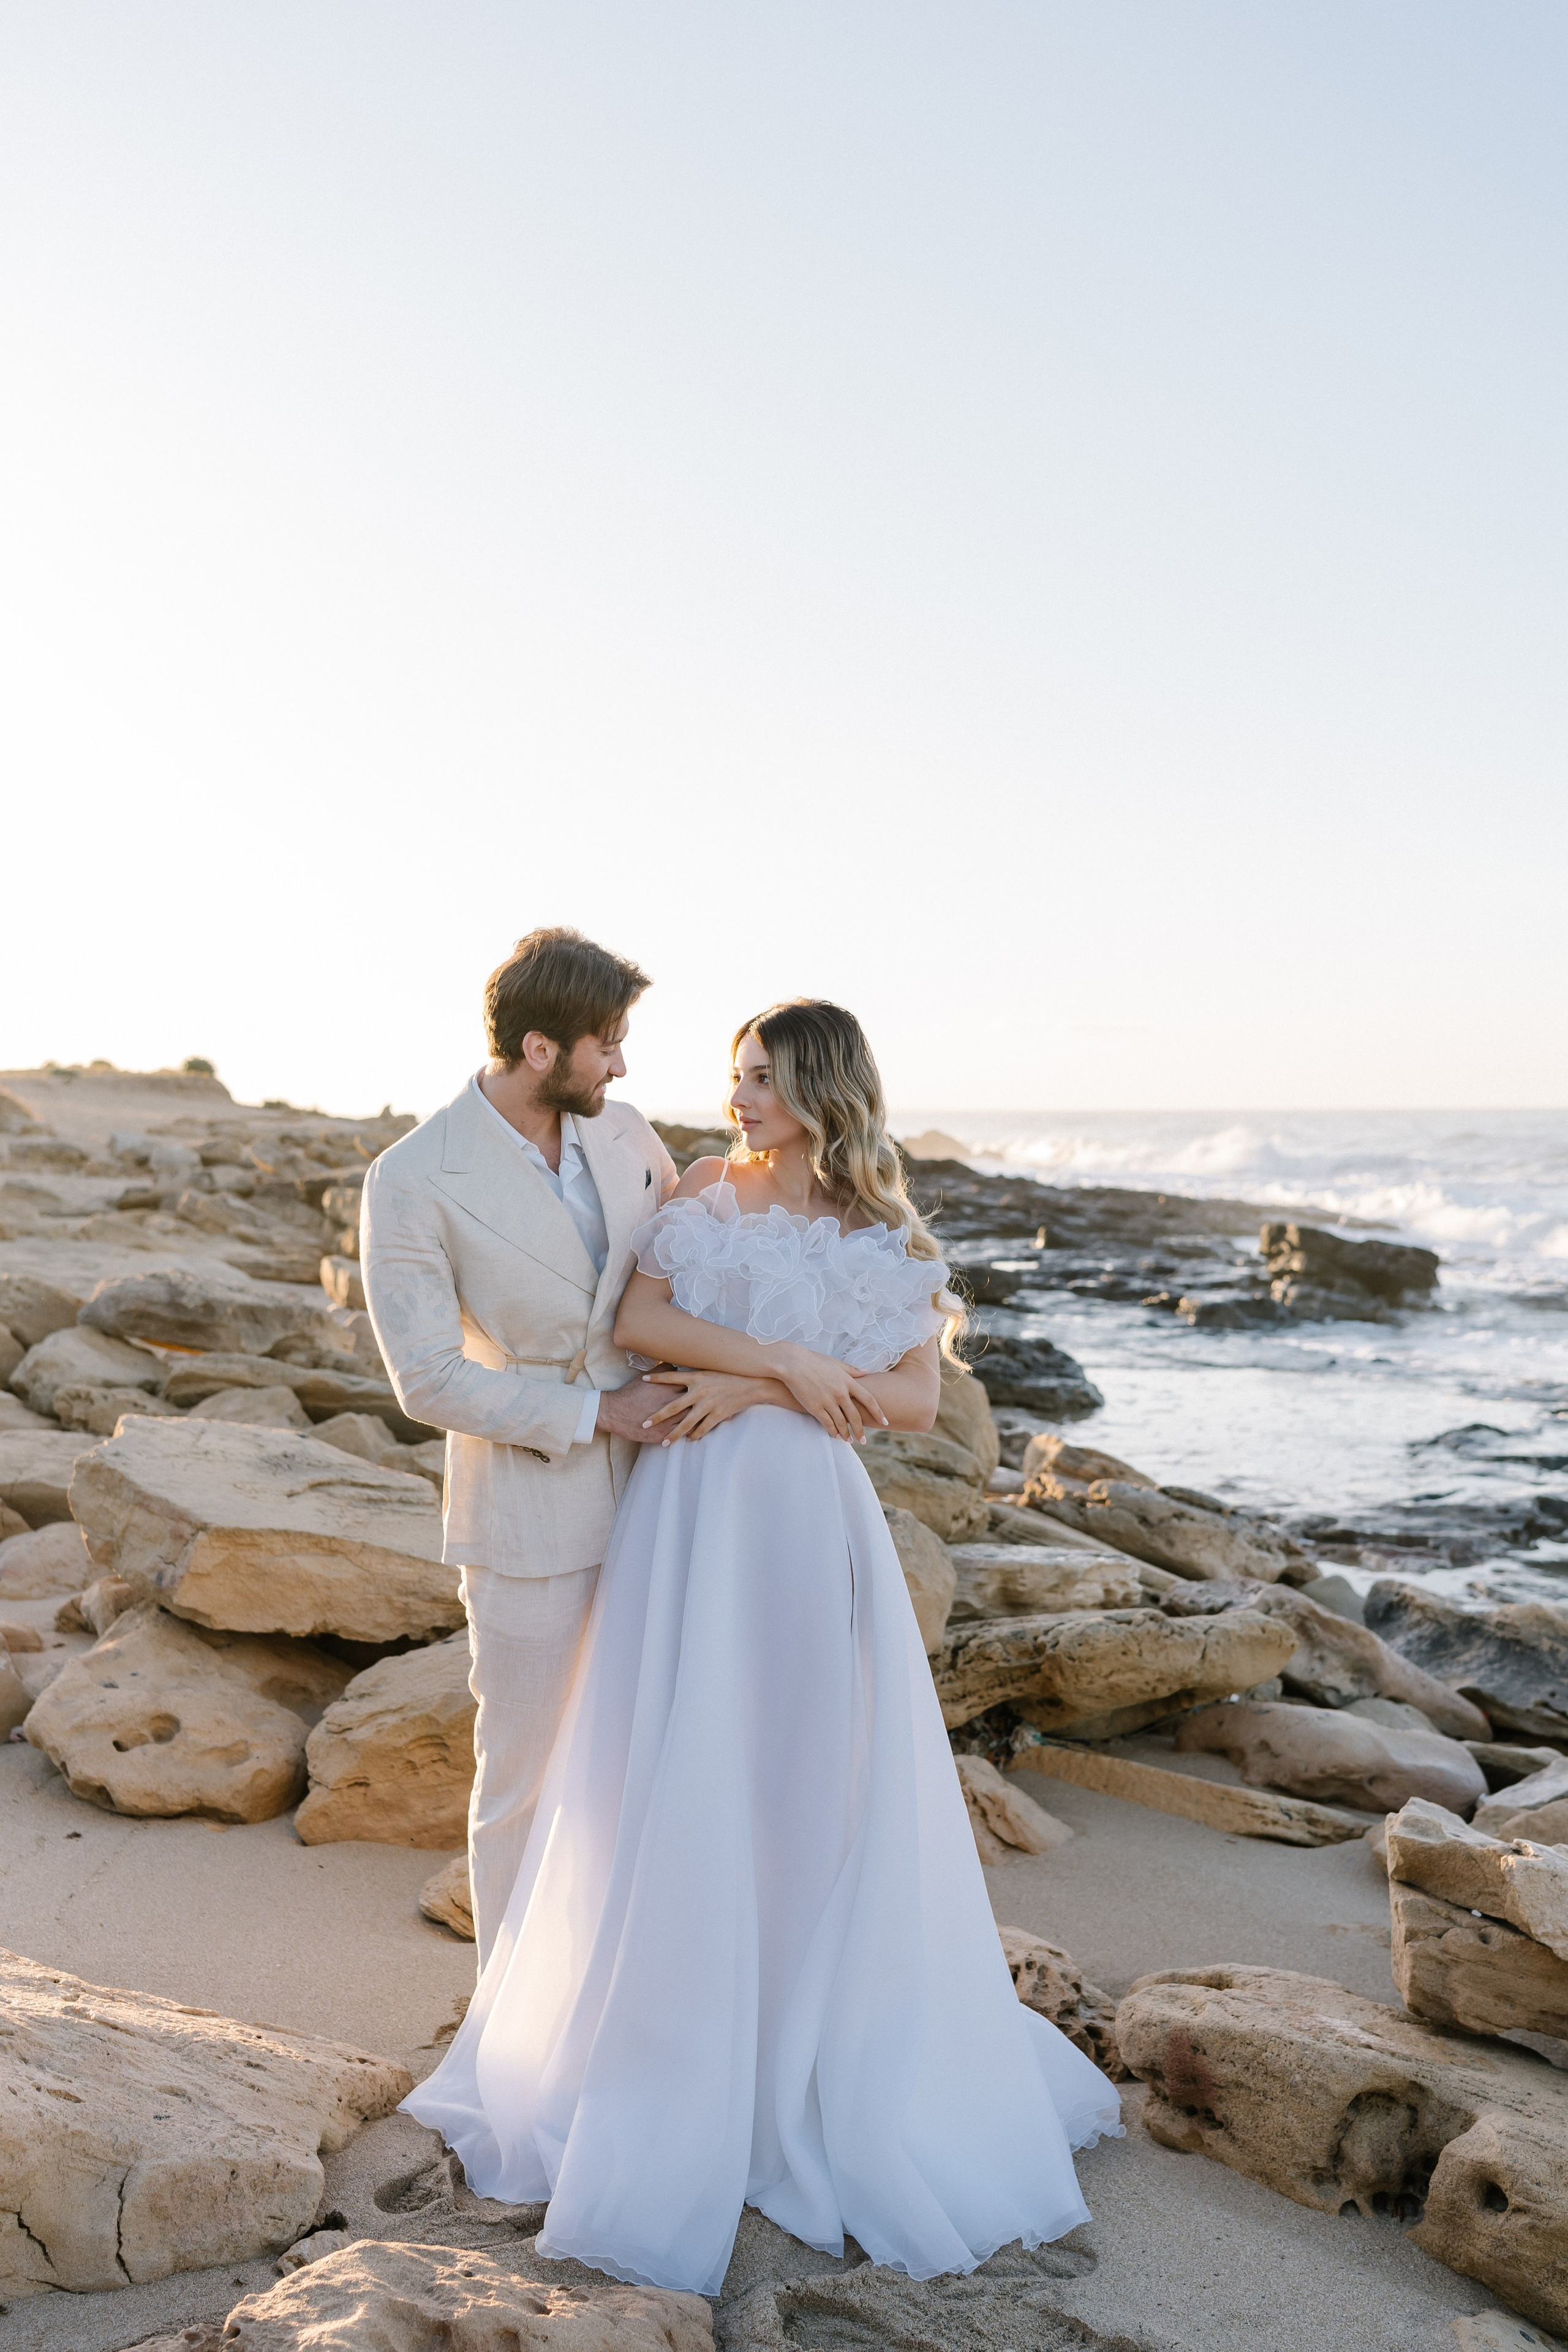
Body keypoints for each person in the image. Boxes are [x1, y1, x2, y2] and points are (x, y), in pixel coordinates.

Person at [402, 997, 1121, 2294]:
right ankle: (674, 2047)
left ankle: (808, 2046)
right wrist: (781, 1364)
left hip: (807, 1523)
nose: (738, 1098)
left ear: (821, 1091)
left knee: (807, 1776)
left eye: (761, 1081)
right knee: (681, 1759)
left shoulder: (885, 1230)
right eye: (735, 1075)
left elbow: (911, 1399)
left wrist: (762, 1385)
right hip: (694, 1515)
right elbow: (641, 1325)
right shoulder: (701, 1186)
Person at [360, 927, 759, 1962]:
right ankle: (508, 2014)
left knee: (650, 1757)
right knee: (525, 1778)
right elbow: (426, 1378)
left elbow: (693, 1270)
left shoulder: (624, 1134)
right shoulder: (412, 1177)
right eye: (606, 1043)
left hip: (671, 1484)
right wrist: (596, 1415)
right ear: (540, 1050)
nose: (621, 1065)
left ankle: (623, 1991)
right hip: (528, 1509)